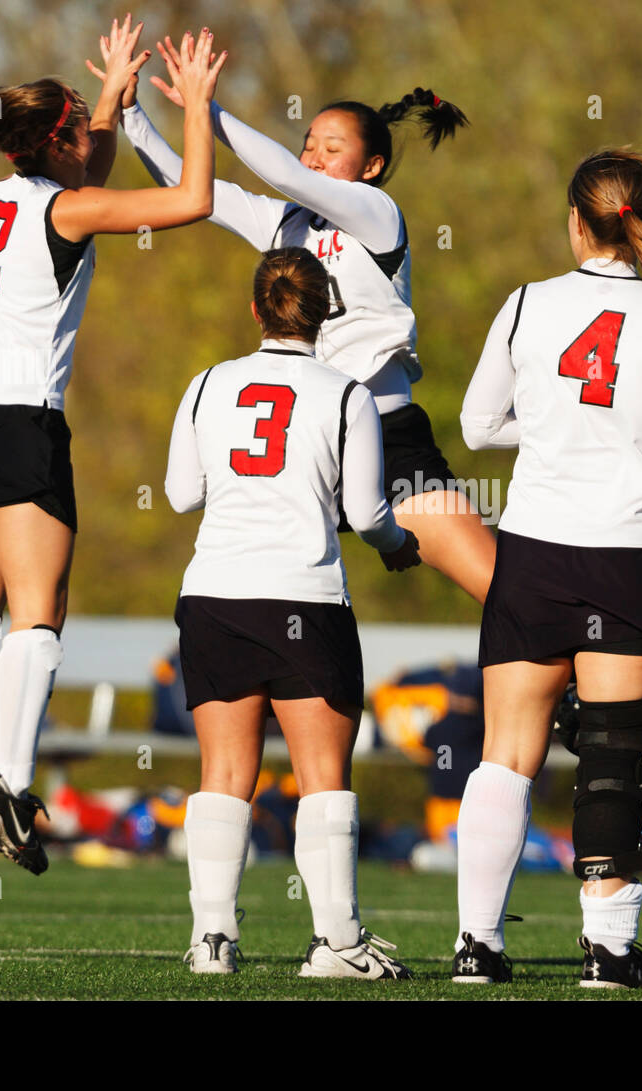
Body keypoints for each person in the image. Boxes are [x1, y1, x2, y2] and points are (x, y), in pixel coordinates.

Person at [0, 21, 226, 880]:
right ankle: (10, 782)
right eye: (82, 126)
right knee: (38, 614)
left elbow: (87, 169)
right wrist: (198, 114)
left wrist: (109, 94)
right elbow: (192, 201)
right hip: (20, 425)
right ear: (60, 139)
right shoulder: (68, 207)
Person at [451, 149, 642, 988]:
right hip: (626, 552)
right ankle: (607, 950)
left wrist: (548, 439)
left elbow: (475, 425)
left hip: (535, 547)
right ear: (641, 221)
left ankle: (478, 945)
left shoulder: (528, 302)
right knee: (611, 754)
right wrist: (640, 465)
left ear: (576, 221)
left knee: (506, 750)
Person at [112, 41, 497, 602]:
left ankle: (580, 681)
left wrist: (207, 108)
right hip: (310, 444)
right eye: (308, 144)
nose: (314, 157)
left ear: (372, 167)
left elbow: (289, 175)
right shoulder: (285, 224)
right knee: (281, 601)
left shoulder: (377, 214)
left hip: (390, 442)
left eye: (331, 148)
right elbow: (190, 191)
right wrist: (132, 115)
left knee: (502, 589)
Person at [166, 246, 421, 979]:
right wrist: (398, 544)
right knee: (323, 774)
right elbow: (369, 512)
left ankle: (212, 941)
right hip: (303, 596)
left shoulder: (208, 383)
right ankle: (336, 942)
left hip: (213, 594)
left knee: (224, 770)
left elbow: (183, 494)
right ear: (327, 313)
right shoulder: (347, 394)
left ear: (255, 309)